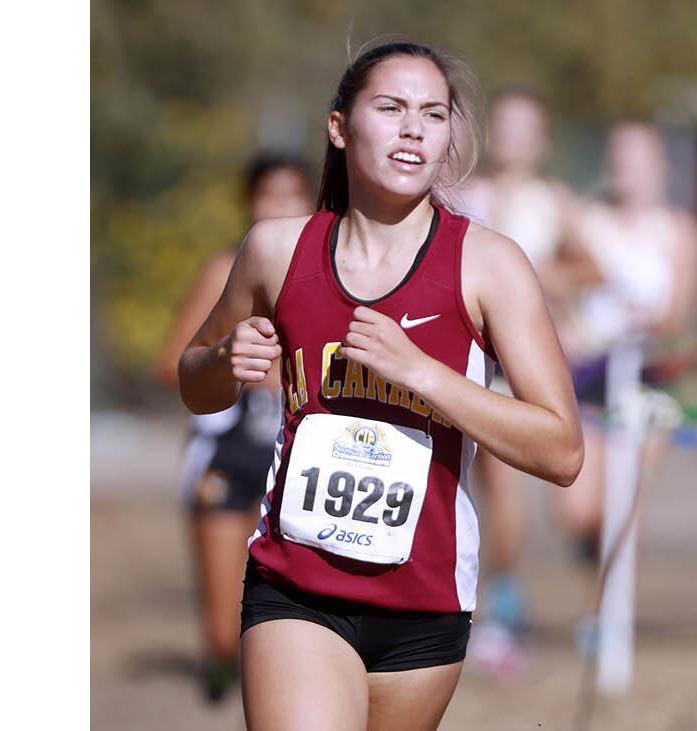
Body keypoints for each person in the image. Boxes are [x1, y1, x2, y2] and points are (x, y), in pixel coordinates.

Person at [177, 41, 584, 730]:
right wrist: (223, 358)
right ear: (340, 127)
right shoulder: (277, 250)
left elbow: (561, 449)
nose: (412, 129)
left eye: (432, 113)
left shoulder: (488, 264)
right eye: (390, 108)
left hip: (425, 605)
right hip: (295, 584)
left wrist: (422, 372)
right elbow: (195, 382)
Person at [154, 151, 313, 702]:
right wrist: (232, 358)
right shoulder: (226, 269)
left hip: (297, 453)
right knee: (225, 630)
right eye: (269, 194)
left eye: (293, 194)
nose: (280, 206)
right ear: (249, 202)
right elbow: (172, 361)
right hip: (228, 448)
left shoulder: (327, 272)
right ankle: (221, 666)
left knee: (279, 614)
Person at [459, 88, 578, 677]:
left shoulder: (553, 202)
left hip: (512, 366)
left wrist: (537, 272)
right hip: (457, 360)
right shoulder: (459, 192)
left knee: (504, 495)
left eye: (524, 128)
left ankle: (502, 606)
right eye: (503, 125)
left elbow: (592, 268)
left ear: (542, 139)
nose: (511, 137)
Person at [555, 120, 697, 570]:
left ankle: (602, 615)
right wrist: (567, 326)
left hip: (645, 375)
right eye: (619, 155)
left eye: (638, 157)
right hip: (587, 373)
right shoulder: (584, 220)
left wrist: (645, 324)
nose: (626, 167)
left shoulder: (679, 231)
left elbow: (678, 313)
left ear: (659, 166)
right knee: (579, 510)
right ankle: (593, 558)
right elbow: (551, 279)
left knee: (622, 503)